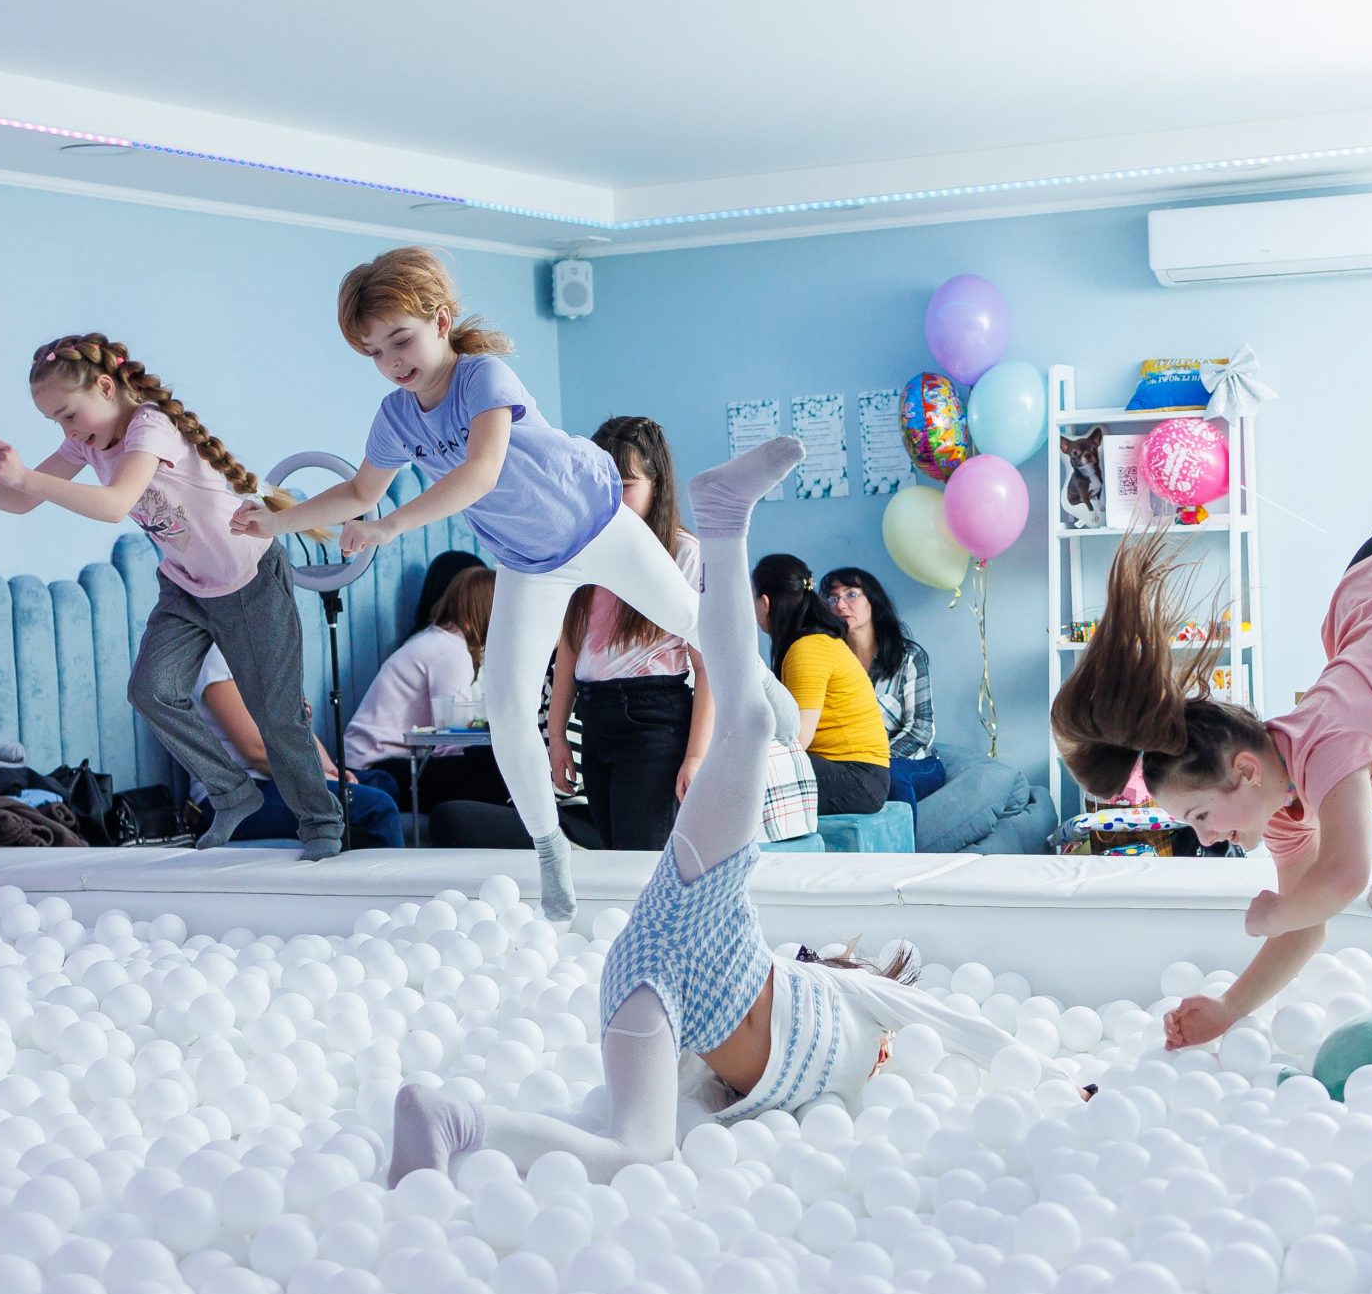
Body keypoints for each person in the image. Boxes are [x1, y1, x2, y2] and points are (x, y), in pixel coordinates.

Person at [388, 438, 1055, 1188]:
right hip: (702, 916)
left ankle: (452, 1119)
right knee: (753, 721)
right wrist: (1055, 1078)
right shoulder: (860, 999)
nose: (894, 1055)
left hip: (654, 992)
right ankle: (725, 515)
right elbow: (953, 1023)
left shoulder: (812, 1060)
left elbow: (701, 1102)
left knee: (638, 1154)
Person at [1052, 297, 1372, 1047]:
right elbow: (1311, 923)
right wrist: (1227, 1008)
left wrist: (1275, 909)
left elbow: (1342, 881)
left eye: (1199, 817)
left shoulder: (1329, 745)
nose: (1208, 840)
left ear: (1243, 769)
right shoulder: (1276, 806)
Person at [236, 249, 697, 922]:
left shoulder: (483, 376)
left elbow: (481, 471)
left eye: (401, 340)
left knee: (689, 617)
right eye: (374, 352)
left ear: (441, 321)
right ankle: (551, 849)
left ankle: (762, 688)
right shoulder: (396, 416)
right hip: (531, 562)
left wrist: (390, 525)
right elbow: (360, 490)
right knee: (508, 710)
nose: (392, 362)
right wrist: (277, 522)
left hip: (595, 521)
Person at [0, 334, 345, 858]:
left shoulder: (150, 426)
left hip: (249, 579)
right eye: (56, 422)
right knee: (152, 690)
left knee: (275, 713)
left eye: (69, 415)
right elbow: (18, 501)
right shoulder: (86, 443)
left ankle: (321, 821)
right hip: (187, 585)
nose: (68, 430)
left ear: (107, 387)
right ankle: (231, 792)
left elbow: (115, 504)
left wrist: (28, 478)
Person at [548, 416, 715, 851]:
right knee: (612, 854)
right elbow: (570, 649)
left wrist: (696, 755)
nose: (612, 499)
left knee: (638, 857)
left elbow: (709, 667)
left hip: (653, 718)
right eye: (601, 485)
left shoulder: (684, 553)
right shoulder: (584, 548)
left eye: (625, 485)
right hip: (595, 714)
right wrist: (557, 734)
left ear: (656, 484)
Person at [192, 648, 403, 849]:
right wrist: (315, 778)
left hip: (277, 781)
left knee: (382, 782)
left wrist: (331, 771)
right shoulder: (216, 658)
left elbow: (297, 729)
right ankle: (386, 876)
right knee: (378, 806)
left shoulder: (260, 650)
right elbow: (256, 752)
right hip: (237, 796)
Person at [346, 564, 510, 811]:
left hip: (365, 763)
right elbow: (452, 741)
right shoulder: (451, 653)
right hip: (377, 771)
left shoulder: (434, 640)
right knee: (494, 771)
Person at [753, 554, 890, 816]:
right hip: (857, 774)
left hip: (858, 779)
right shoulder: (814, 642)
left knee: (744, 771)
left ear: (766, 603)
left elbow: (798, 739)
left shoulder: (808, 649)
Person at [823, 566, 946, 804]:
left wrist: (873, 762)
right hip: (853, 766)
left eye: (851, 594)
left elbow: (921, 730)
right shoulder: (830, 660)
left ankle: (903, 832)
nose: (840, 605)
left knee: (891, 776)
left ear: (873, 601)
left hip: (912, 762)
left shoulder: (908, 657)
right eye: (833, 598)